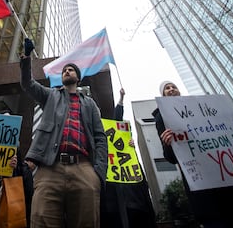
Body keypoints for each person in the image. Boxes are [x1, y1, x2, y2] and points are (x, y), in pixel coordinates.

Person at [20, 38, 107, 228]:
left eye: (71, 69)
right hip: (50, 168)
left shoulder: (90, 103)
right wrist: (27, 58)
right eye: (64, 70)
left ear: (78, 77)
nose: (66, 71)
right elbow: (28, 84)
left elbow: (100, 137)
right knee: (41, 219)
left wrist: (99, 172)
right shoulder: (51, 95)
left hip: (84, 169)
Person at [152, 81, 233, 228]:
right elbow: (171, 158)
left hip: (232, 183)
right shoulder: (162, 117)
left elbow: (225, 133)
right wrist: (167, 144)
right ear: (163, 95)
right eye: (167, 88)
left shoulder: (202, 108)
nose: (171, 89)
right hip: (206, 190)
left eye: (174, 86)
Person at [101, 88, 156, 228]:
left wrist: (121, 99)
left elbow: (118, 120)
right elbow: (116, 120)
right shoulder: (101, 147)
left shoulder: (130, 150)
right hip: (115, 194)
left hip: (135, 195)